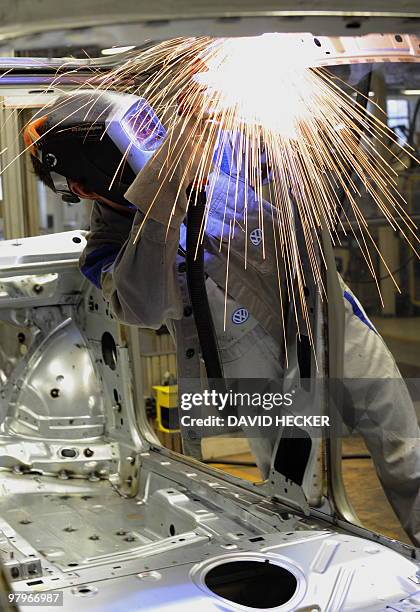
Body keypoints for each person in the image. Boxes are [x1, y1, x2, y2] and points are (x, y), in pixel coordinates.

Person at [25, 90, 420, 546]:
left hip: (321, 308)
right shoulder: (106, 246)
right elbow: (142, 306)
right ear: (85, 187)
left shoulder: (210, 146)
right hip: (243, 354)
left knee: (403, 443)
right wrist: (161, 199)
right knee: (295, 490)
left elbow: (289, 150)